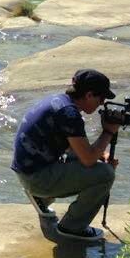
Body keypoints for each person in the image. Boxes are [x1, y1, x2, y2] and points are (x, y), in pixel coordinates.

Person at [11, 69, 120, 242]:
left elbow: (74, 148)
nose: (102, 103)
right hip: (36, 177)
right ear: (89, 95)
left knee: (94, 162)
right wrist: (108, 132)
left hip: (29, 170)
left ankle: (43, 196)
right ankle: (72, 228)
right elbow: (88, 159)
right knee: (105, 174)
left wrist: (100, 155)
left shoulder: (59, 102)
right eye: (101, 99)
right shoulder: (69, 114)